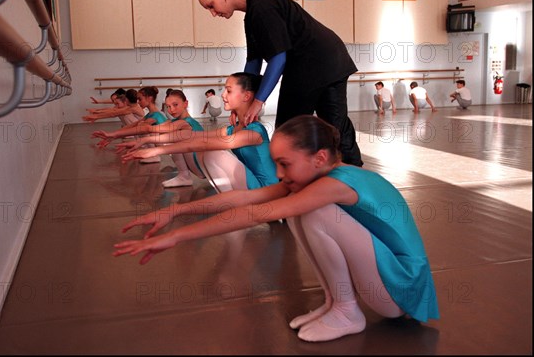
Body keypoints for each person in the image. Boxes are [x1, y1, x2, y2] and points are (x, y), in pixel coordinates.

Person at [113, 115, 439, 342]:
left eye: (285, 164)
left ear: (319, 157)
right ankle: (334, 304)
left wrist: (176, 237)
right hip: (386, 283)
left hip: (400, 290)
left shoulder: (337, 185)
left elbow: (256, 215)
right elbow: (242, 199)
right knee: (300, 209)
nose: (279, 173)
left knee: (313, 212)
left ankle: (346, 311)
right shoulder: (318, 178)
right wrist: (175, 211)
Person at [195, 0, 363, 167]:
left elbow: (278, 58)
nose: (213, 13)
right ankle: (316, 177)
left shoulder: (262, 5)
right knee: (331, 125)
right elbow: (254, 62)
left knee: (294, 130)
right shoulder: (252, 14)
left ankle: (348, 177)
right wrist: (243, 101)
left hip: (318, 62)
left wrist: (257, 102)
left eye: (211, 6)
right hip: (322, 61)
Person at [116, 72, 278, 193]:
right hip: (255, 188)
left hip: (268, 193)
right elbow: (193, 136)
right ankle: (230, 201)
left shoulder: (255, 132)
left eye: (228, 91)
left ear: (246, 96)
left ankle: (233, 203)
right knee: (207, 151)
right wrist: (145, 142)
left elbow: (203, 142)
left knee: (213, 154)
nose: (222, 95)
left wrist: (156, 149)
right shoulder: (232, 128)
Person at [113, 89, 206, 188]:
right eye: (168, 107)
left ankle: (184, 176)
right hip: (200, 166)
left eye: (175, 105)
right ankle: (183, 176)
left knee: (169, 138)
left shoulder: (185, 122)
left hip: (202, 167)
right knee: (149, 130)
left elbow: (148, 128)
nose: (171, 110)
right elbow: (138, 126)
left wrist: (147, 145)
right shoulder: (175, 120)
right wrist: (114, 135)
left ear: (185, 103)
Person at [91, 86, 168, 156]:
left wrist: (112, 135)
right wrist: (111, 137)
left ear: (149, 98)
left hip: (167, 146)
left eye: (140, 99)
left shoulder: (155, 115)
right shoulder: (150, 115)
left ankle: (153, 154)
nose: (138, 101)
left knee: (141, 126)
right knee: (140, 125)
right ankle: (151, 152)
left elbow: (135, 129)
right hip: (162, 145)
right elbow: (131, 126)